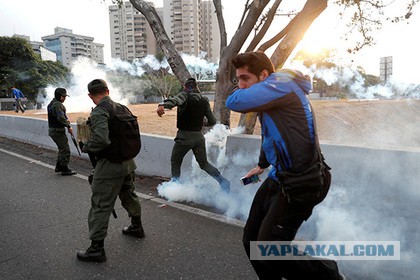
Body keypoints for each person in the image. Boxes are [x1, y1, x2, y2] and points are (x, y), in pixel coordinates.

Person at [226, 51, 345, 280]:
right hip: (279, 177)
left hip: (302, 182)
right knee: (251, 241)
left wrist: (240, 91)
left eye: (245, 78)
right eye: (237, 79)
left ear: (263, 75)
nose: (241, 85)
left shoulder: (283, 83)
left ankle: (330, 276)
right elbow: (271, 135)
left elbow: (234, 102)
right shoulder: (272, 95)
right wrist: (261, 165)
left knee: (269, 252)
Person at [77, 79, 144, 263]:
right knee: (128, 194)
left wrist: (85, 146)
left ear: (91, 96)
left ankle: (96, 249)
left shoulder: (100, 111)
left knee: (100, 204)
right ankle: (136, 227)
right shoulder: (122, 108)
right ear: (107, 90)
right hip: (128, 163)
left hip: (110, 165)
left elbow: (101, 140)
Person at [157, 78, 230, 192]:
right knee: (204, 164)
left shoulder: (185, 95)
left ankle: (174, 187)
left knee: (176, 162)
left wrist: (162, 104)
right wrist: (202, 123)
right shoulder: (204, 100)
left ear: (186, 87)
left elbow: (175, 100)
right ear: (196, 87)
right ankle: (222, 180)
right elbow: (212, 121)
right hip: (198, 138)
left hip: (184, 138)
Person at [47, 88, 76, 176]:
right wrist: (68, 125)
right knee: (65, 149)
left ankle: (59, 167)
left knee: (62, 149)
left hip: (54, 130)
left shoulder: (52, 103)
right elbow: (61, 118)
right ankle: (64, 169)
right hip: (57, 131)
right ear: (59, 96)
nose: (64, 98)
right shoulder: (57, 105)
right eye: (63, 96)